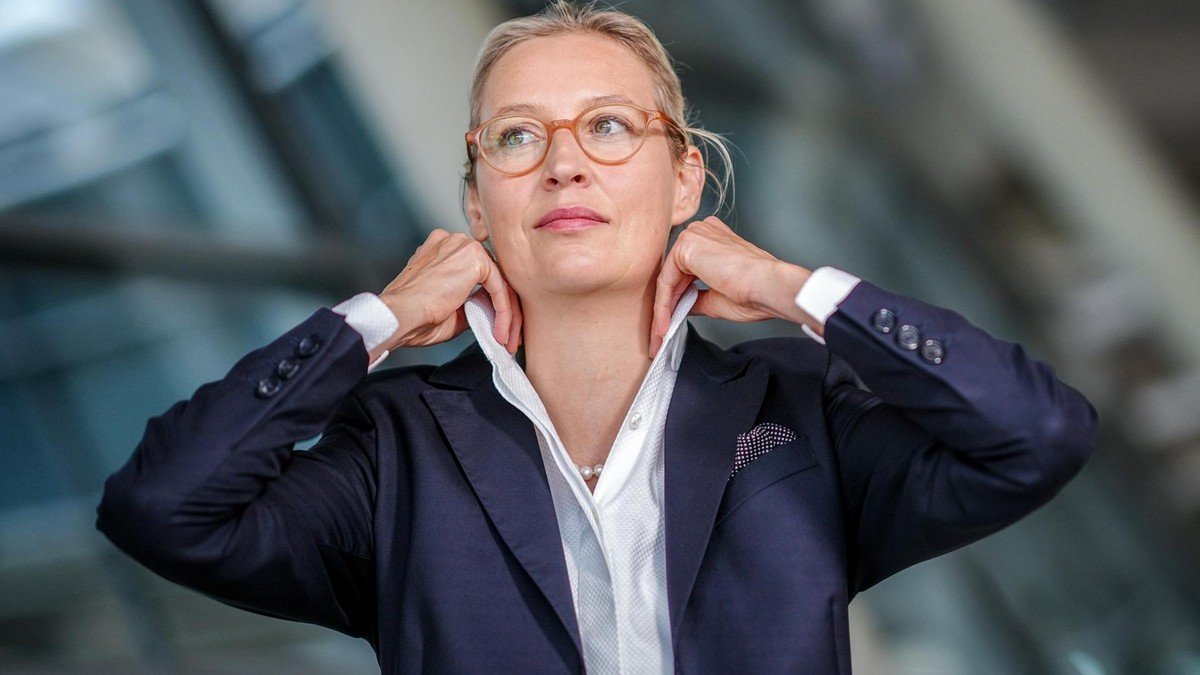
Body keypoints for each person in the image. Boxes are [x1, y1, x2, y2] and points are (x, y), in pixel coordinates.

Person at [95, 2, 1098, 673]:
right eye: (518, 136)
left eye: (609, 126)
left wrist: (796, 289)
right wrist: (374, 322)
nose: (564, 166)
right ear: (478, 203)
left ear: (685, 178)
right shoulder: (394, 448)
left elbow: (1036, 435)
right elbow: (162, 507)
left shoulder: (799, 409)